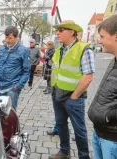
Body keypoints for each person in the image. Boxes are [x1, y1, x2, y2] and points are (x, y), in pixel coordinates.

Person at [49, 20, 95, 159]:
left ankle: (84, 156)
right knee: (61, 124)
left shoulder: (84, 49)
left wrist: (74, 96)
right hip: (57, 94)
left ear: (72, 32)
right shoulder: (59, 50)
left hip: (73, 97)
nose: (57, 33)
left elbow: (88, 76)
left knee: (79, 130)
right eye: (57, 30)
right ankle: (64, 152)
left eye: (61, 30)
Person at [88, 14, 117, 159]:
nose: (99, 41)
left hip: (112, 140)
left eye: (102, 36)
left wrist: (107, 117)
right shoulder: (114, 61)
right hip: (100, 133)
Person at [0, 26, 30, 110]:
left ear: (16, 37)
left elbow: (26, 71)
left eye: (10, 38)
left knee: (10, 113)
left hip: (12, 88)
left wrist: (17, 86)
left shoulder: (23, 51)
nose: (7, 40)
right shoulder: (1, 49)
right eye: (6, 37)